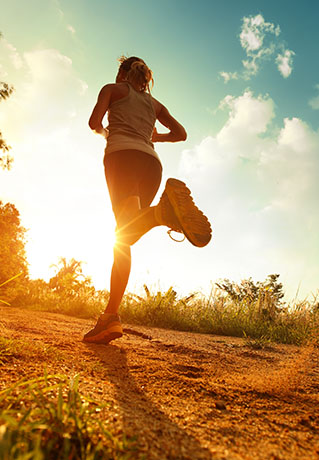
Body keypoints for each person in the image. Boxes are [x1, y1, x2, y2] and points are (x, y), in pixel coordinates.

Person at [83, 56, 211, 344]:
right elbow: (181, 134)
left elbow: (94, 122)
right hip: (151, 164)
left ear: (122, 73)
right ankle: (111, 317)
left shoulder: (112, 90)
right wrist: (156, 138)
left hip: (122, 157)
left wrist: (107, 133)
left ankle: (160, 214)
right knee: (125, 235)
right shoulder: (155, 104)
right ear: (144, 77)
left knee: (124, 234)